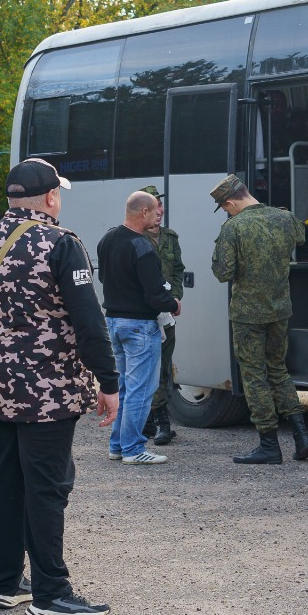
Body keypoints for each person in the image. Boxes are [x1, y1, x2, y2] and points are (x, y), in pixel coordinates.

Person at [0, 158, 120, 615]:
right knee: (47, 489)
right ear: (52, 196)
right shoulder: (61, 244)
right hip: (48, 392)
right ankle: (51, 593)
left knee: (6, 484)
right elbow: (89, 323)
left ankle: (5, 583)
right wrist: (108, 381)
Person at [210, 174, 308, 464]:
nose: (227, 212)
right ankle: (301, 436)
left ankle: (269, 444)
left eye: (225, 208)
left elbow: (222, 273)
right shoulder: (285, 218)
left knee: (254, 376)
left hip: (248, 314)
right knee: (278, 369)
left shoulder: (234, 227)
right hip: (280, 309)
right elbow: (301, 238)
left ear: (230, 202)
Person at [97, 191, 178, 465]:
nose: (159, 214)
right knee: (141, 389)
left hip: (113, 323)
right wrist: (173, 303)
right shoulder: (142, 247)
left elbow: (105, 277)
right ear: (143, 212)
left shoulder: (108, 238)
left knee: (122, 387)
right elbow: (155, 294)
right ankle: (132, 449)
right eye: (155, 210)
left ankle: (117, 445)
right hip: (140, 327)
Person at [141, 184, 184, 446]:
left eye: (161, 205)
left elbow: (178, 270)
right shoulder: (133, 237)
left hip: (166, 314)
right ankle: (158, 423)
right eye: (154, 206)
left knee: (164, 368)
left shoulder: (170, 237)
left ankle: (158, 421)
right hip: (145, 313)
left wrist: (174, 298)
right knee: (148, 369)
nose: (160, 211)